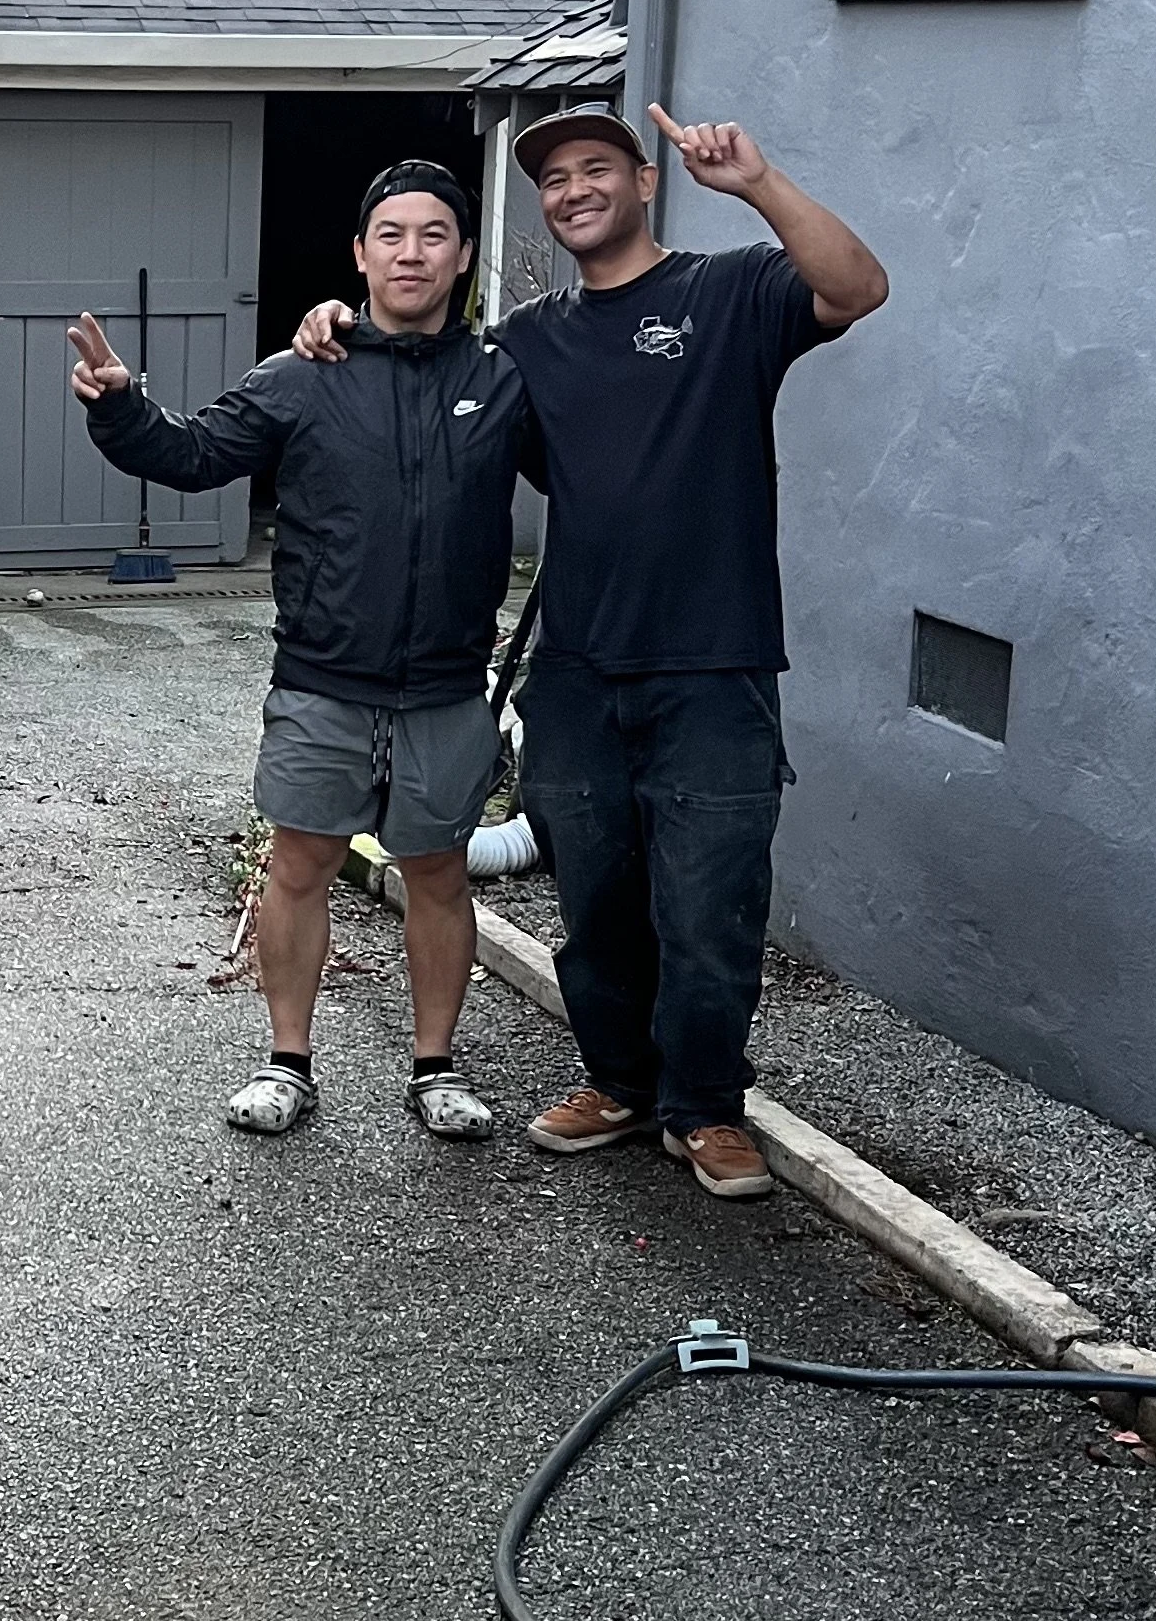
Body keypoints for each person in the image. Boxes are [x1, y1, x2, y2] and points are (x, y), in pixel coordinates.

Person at [295, 103, 887, 1197]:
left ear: (645, 182)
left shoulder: (728, 293)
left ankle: (707, 1107)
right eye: (554, 178)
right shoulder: (529, 341)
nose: (573, 189)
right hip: (574, 669)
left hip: (714, 667)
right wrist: (342, 319)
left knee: (709, 910)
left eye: (595, 168)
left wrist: (757, 181)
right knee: (598, 906)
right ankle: (620, 1083)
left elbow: (857, 289)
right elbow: (424, 382)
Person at [68, 160, 526, 1141]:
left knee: (437, 873)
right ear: (360, 254)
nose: (412, 251)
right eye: (391, 234)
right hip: (323, 679)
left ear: (465, 256)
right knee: (299, 865)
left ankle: (435, 1069)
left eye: (434, 234)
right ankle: (288, 1063)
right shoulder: (300, 378)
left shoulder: (500, 382)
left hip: (444, 685)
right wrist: (118, 404)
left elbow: (595, 471)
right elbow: (190, 455)